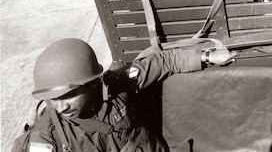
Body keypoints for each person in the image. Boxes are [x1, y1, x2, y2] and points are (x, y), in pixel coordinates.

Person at [12, 38, 235, 152]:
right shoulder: (46, 138)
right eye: (53, 100)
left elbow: (161, 62)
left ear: (92, 84)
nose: (60, 108)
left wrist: (206, 56)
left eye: (68, 96)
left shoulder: (117, 83)